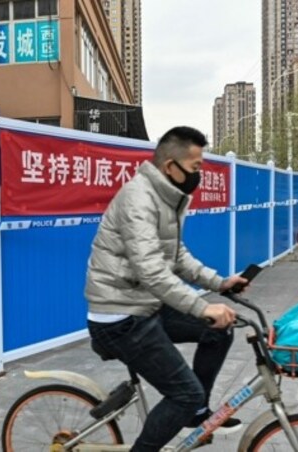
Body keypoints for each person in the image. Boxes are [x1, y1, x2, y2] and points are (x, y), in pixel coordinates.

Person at [85, 126, 246, 452]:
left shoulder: (167, 197)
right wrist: (202, 306)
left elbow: (176, 256)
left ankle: (195, 413)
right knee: (184, 393)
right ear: (170, 166)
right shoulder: (139, 199)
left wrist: (219, 284)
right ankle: (189, 407)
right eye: (196, 167)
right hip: (119, 316)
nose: (199, 175)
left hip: (144, 306)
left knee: (220, 328)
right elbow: (151, 270)